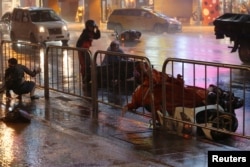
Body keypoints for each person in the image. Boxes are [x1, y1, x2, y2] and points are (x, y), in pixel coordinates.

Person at [76, 19, 101, 84]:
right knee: (84, 65)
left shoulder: (91, 32)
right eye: (91, 27)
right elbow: (89, 37)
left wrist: (97, 29)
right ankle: (84, 79)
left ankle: (88, 77)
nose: (92, 28)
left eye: (93, 27)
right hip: (82, 50)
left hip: (86, 50)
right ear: (87, 27)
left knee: (89, 64)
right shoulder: (85, 33)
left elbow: (97, 36)